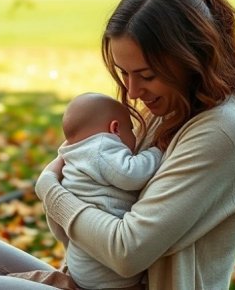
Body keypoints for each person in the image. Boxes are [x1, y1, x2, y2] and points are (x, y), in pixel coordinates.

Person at [0, 0, 235, 290]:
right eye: (124, 73)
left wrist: (52, 192)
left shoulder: (221, 130)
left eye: (146, 74)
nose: (133, 91)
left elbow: (126, 253)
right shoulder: (171, 109)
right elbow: (90, 228)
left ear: (191, 58)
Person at [49, 92, 162, 289]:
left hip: (81, 262)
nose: (134, 138)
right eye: (131, 129)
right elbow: (131, 175)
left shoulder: (74, 155)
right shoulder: (102, 149)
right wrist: (157, 151)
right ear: (115, 128)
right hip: (106, 274)